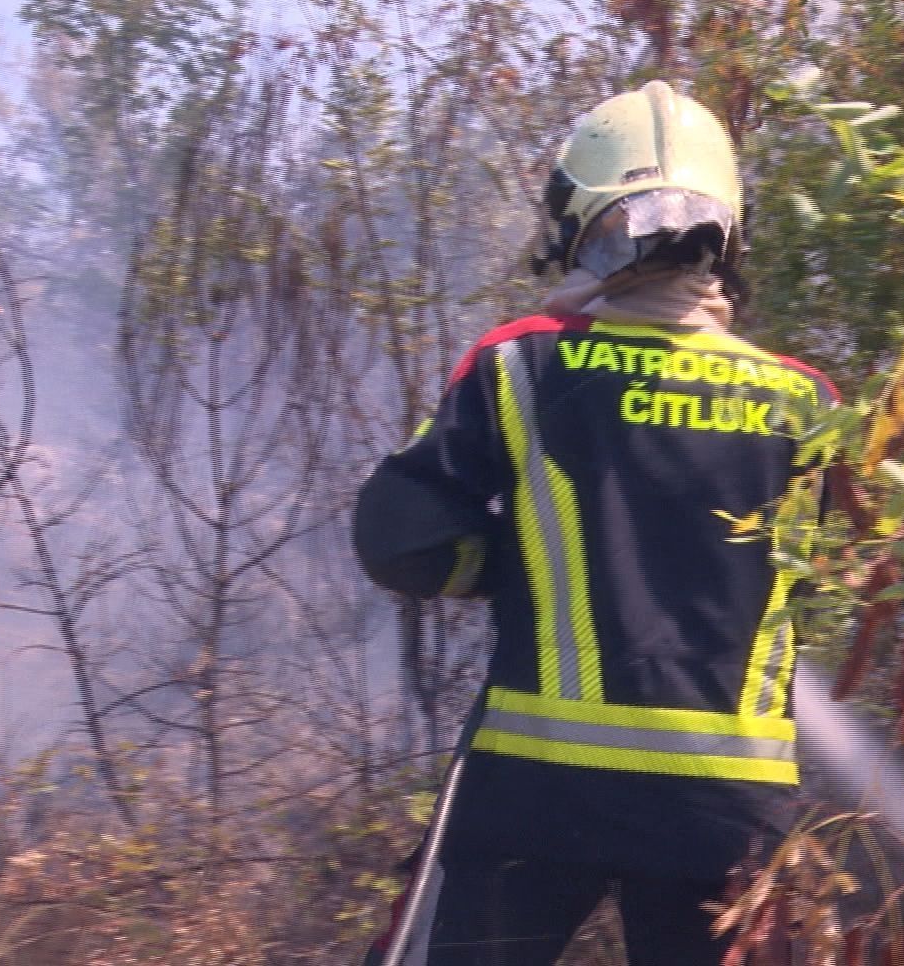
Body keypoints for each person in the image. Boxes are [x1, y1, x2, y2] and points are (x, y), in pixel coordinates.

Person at [352, 80, 837, 966]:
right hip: (726, 806)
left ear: (576, 222)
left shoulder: (519, 366)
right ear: (724, 233)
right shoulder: (808, 403)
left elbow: (397, 540)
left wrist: (514, 562)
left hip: (540, 790)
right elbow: (833, 574)